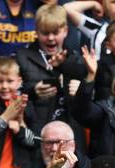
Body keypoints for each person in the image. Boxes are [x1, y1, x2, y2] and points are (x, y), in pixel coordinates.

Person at [15, 4, 87, 139]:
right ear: (36, 31)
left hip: (72, 134)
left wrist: (81, 91)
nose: (51, 38)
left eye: (55, 32)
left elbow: (91, 100)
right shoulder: (21, 57)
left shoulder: (78, 60)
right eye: (45, 33)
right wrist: (32, 92)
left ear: (65, 31)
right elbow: (11, 93)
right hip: (37, 133)